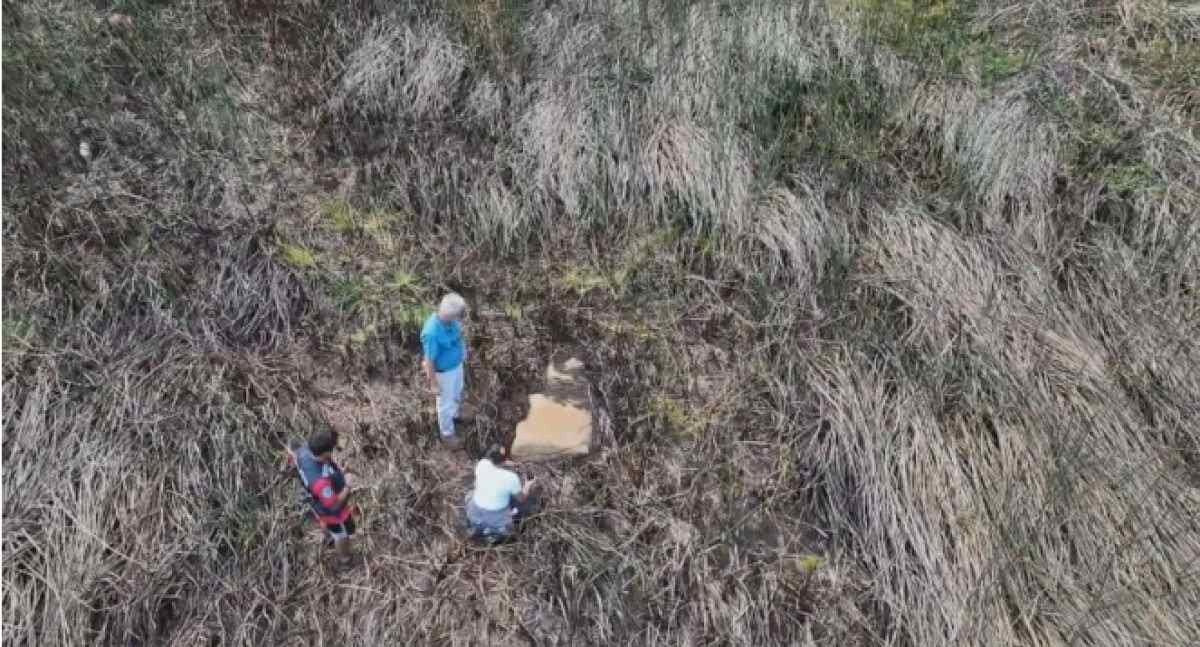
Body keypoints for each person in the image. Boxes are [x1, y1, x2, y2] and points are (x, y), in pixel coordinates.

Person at [287, 430, 356, 564]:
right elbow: (334, 506)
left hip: (318, 503)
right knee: (341, 534)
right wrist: (347, 485)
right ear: (326, 453)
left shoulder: (304, 450)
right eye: (332, 448)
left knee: (330, 525)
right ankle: (345, 559)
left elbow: (290, 448)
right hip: (332, 512)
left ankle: (328, 535)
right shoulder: (321, 483)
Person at [464, 444, 538, 542]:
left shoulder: (481, 464)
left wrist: (505, 463)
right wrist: (528, 485)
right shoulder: (510, 478)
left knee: (471, 494)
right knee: (527, 503)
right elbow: (522, 498)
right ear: (504, 460)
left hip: (475, 516)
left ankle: (477, 528)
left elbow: (492, 465)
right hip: (497, 524)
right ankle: (498, 532)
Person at [421, 293, 468, 447]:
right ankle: (447, 434)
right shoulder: (432, 332)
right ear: (449, 314)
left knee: (457, 391)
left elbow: (459, 337)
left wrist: (463, 353)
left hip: (457, 366)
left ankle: (454, 416)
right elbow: (429, 360)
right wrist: (433, 383)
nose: (459, 319)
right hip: (444, 373)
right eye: (457, 316)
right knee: (445, 404)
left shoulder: (452, 322)